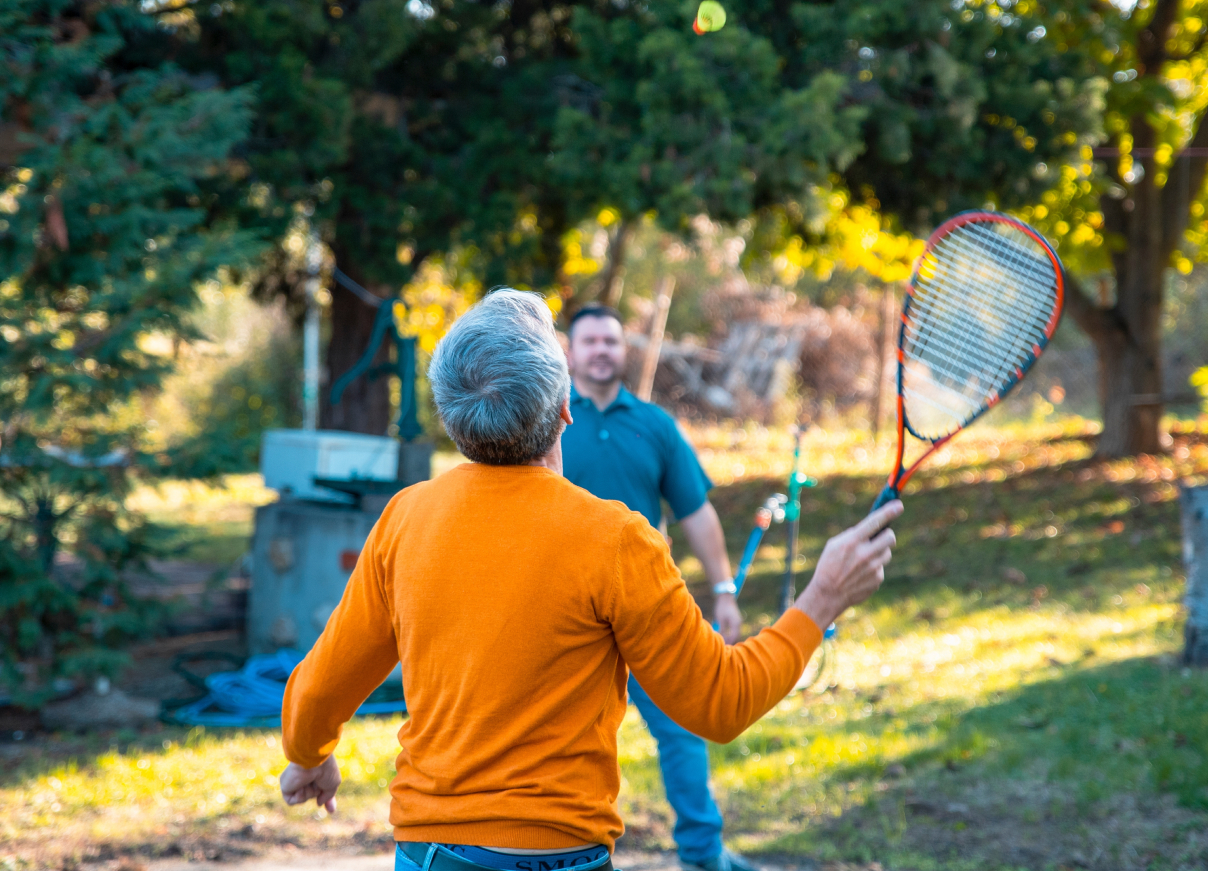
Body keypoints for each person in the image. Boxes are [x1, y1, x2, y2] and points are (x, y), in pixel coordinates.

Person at [277, 288, 903, 871]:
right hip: (557, 854)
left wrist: (310, 757)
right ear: (566, 407)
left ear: (452, 415)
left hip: (429, 851)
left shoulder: (403, 520)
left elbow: (317, 690)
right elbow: (720, 702)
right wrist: (821, 600)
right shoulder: (615, 538)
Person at [561, 304, 744, 871]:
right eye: (589, 340)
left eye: (611, 341)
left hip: (645, 608)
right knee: (562, 739)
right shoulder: (545, 421)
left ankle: (702, 853)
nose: (601, 350)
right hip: (563, 613)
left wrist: (724, 589)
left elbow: (696, 512)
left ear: (624, 350)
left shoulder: (655, 425)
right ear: (569, 351)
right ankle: (561, 851)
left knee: (684, 727)